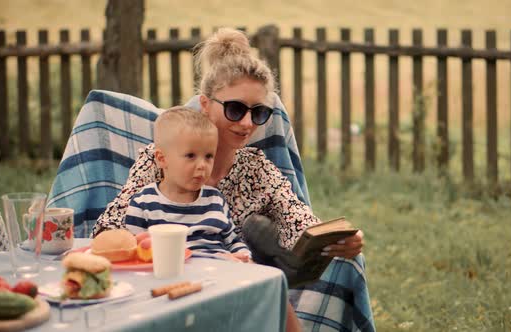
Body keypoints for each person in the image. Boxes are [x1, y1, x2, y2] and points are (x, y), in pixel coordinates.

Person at [91, 27, 371, 331]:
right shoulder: (159, 159)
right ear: (205, 104)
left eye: (259, 112)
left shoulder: (256, 168)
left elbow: (298, 222)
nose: (248, 123)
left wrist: (337, 240)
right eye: (236, 109)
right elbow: (110, 230)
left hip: (235, 298)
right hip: (163, 290)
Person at [124, 108, 250, 262]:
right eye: (191, 156)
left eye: (209, 156)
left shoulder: (215, 200)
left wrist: (245, 257)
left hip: (220, 275)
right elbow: (138, 254)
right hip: (173, 273)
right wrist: (213, 258)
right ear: (162, 159)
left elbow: (233, 242)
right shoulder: (143, 203)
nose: (202, 165)